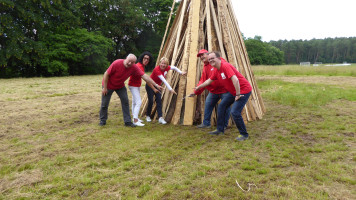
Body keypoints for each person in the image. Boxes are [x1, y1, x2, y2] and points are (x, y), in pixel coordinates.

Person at [194, 52, 252, 141]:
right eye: (209, 59)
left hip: (243, 90)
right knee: (222, 106)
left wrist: (237, 94)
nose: (211, 60)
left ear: (218, 58)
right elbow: (208, 81)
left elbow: (235, 80)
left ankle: (244, 134)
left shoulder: (225, 66)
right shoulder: (216, 70)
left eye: (212, 58)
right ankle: (220, 130)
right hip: (233, 92)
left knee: (235, 112)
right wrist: (199, 87)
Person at [99, 54, 162, 127]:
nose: (129, 63)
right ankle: (102, 121)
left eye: (132, 62)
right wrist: (105, 88)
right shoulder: (117, 63)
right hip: (108, 86)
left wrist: (156, 85)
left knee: (125, 102)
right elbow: (106, 74)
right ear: (126, 58)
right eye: (129, 61)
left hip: (120, 86)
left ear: (134, 63)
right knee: (104, 104)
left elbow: (145, 76)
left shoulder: (134, 67)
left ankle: (128, 122)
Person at [189, 49, 231, 130]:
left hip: (224, 90)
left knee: (226, 107)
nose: (201, 57)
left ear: (208, 54)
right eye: (200, 56)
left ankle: (224, 125)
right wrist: (195, 92)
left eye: (203, 55)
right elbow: (203, 81)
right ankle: (206, 123)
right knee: (208, 105)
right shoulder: (205, 67)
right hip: (213, 91)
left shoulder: (219, 61)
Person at [146, 57, 186, 124]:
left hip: (158, 86)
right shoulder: (157, 69)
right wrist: (170, 89)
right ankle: (148, 116)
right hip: (150, 85)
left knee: (159, 100)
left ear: (167, 64)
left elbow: (174, 68)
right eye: (162, 63)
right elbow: (164, 80)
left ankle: (160, 118)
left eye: (165, 64)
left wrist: (180, 72)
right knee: (150, 101)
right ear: (160, 63)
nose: (163, 65)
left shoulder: (167, 68)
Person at [128, 51, 154, 126]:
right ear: (142, 58)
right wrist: (154, 87)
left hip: (136, 85)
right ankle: (135, 121)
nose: (146, 60)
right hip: (133, 86)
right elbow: (146, 79)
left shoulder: (142, 66)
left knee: (134, 102)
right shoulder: (139, 66)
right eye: (145, 58)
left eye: (148, 59)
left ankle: (134, 118)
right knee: (139, 102)